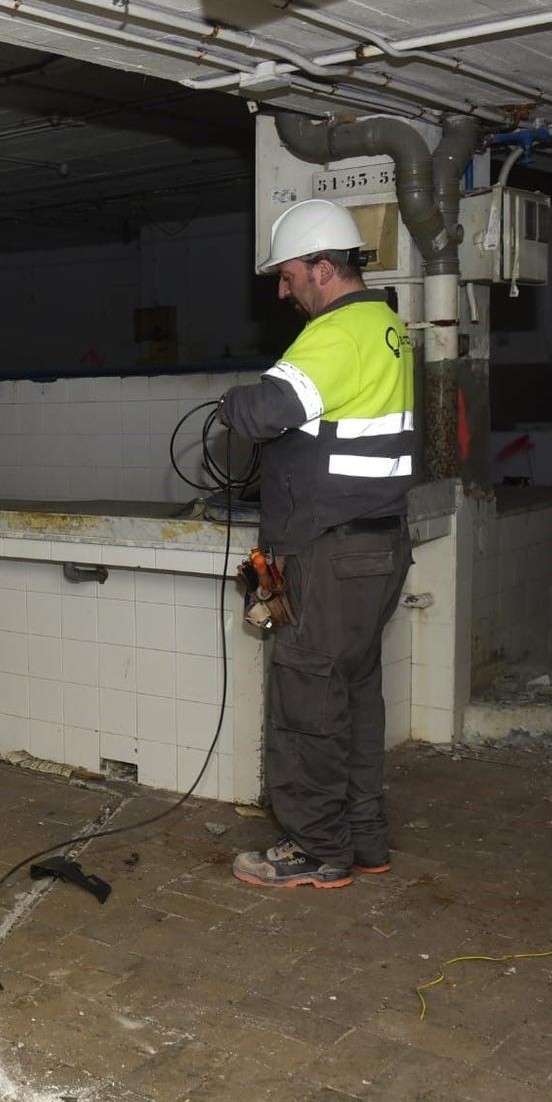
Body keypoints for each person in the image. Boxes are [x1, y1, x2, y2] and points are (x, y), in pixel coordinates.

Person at [218, 198, 417, 890]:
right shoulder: (388, 325)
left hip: (327, 555)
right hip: (370, 548)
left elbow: (270, 409)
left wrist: (231, 402)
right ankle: (364, 839)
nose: (283, 288)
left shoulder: (339, 331)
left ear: (324, 268)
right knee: (355, 700)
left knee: (305, 701)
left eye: (289, 273)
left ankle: (315, 849)